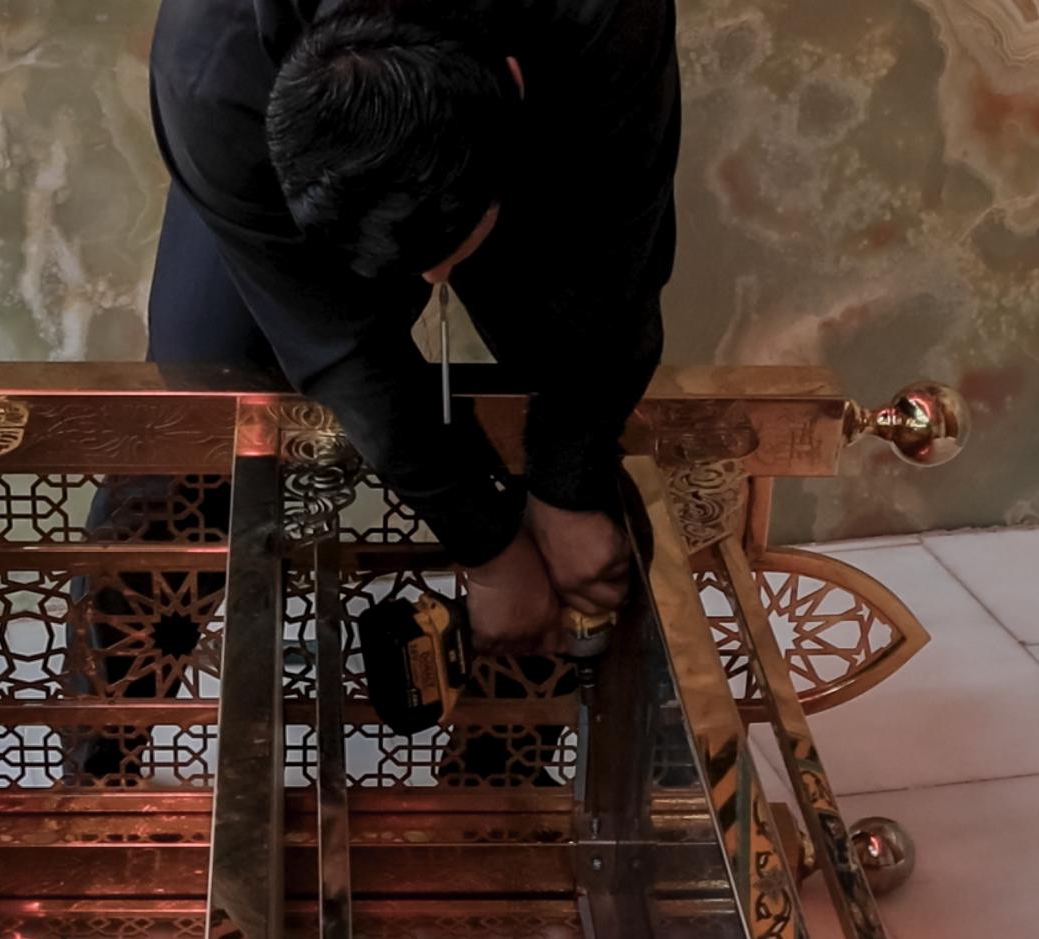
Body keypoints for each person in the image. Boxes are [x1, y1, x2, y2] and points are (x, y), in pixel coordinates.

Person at [145, 0, 681, 654]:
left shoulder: (605, 16)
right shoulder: (209, 70)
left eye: (441, 256)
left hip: (546, 75)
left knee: (573, 393)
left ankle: (524, 699)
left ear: (512, 82)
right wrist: (486, 546)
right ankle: (110, 706)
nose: (432, 281)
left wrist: (565, 485)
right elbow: (340, 346)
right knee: (195, 422)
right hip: (254, 104)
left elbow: (615, 265)